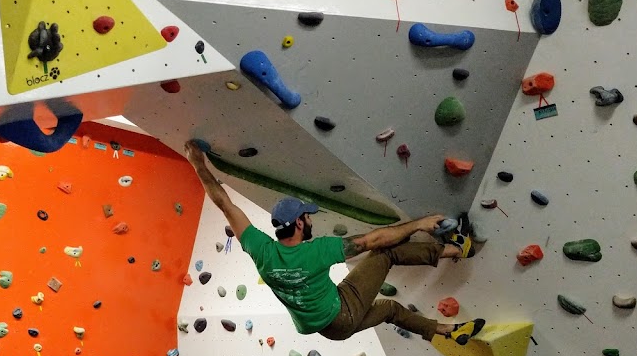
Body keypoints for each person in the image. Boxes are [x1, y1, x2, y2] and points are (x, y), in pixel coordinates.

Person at [184, 141, 484, 343]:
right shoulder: (317, 251)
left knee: (390, 309)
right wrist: (420, 222)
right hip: (341, 312)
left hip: (330, 328)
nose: (312, 220)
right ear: (300, 222)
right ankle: (458, 248)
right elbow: (375, 240)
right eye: (308, 216)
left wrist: (197, 163)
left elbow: (224, 203)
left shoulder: (261, 250)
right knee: (384, 255)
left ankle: (447, 331)